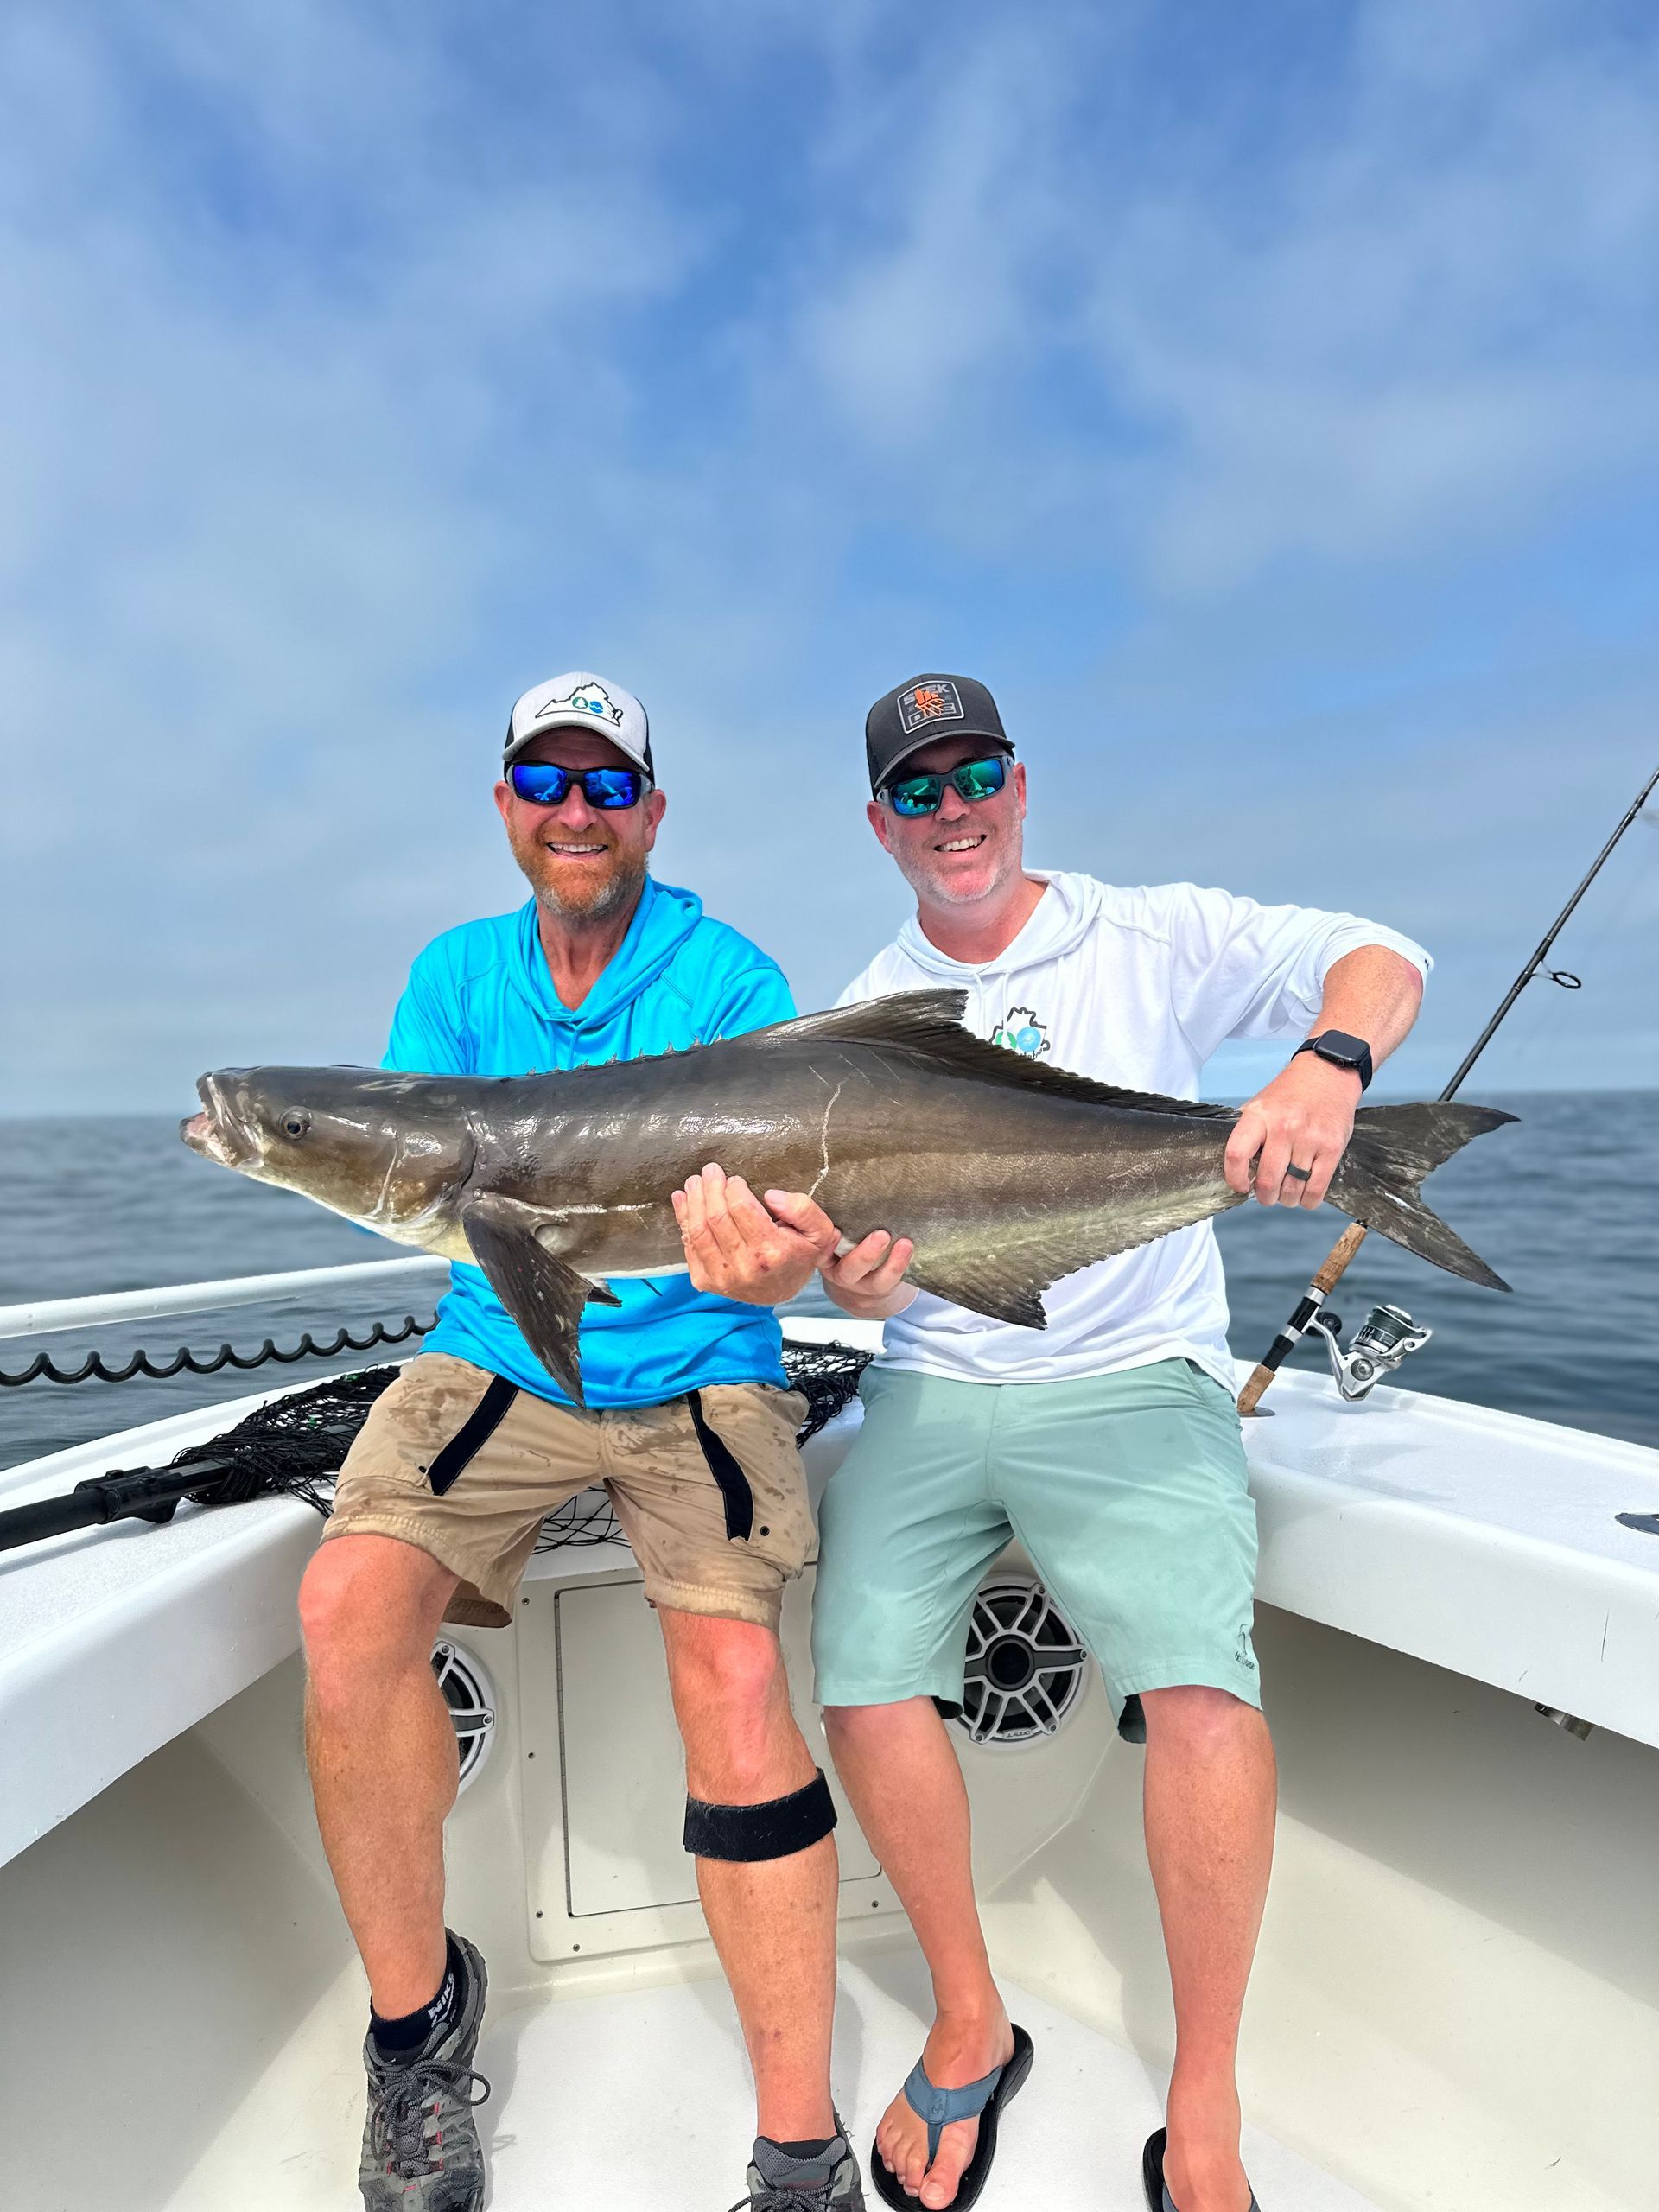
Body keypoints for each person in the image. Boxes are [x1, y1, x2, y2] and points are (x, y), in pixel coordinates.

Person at [674, 673, 1430, 2212]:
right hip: (942, 1374)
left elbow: (1383, 955)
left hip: (1141, 1374)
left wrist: (1325, 1065)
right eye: (918, 793)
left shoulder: (1146, 931)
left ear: (1021, 784)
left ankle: (1204, 2094)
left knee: (1205, 1696)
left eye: (977, 778)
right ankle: (971, 2015)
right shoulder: (860, 1011)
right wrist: (852, 1275)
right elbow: (853, 1257)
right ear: (878, 824)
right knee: (869, 1686)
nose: (954, 813)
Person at [299, 671, 863, 2212]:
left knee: (736, 1677)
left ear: (650, 814)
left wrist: (775, 1265)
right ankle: (415, 2037)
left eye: (606, 786)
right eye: (543, 785)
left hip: (700, 1364)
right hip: (503, 1349)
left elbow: (801, 1221)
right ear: (504, 811)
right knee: (349, 1608)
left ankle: (802, 2146)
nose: (574, 813)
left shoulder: (731, 977)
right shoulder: (459, 977)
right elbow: (435, 1180)